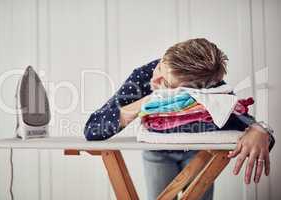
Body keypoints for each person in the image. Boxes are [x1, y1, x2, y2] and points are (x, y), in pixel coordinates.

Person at [84, 38, 275, 200]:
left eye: (166, 83)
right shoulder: (144, 76)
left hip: (201, 152)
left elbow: (249, 124)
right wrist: (150, 100)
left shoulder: (211, 86)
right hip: (158, 152)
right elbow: (93, 129)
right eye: (160, 67)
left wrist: (260, 132)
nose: (155, 80)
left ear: (200, 89)